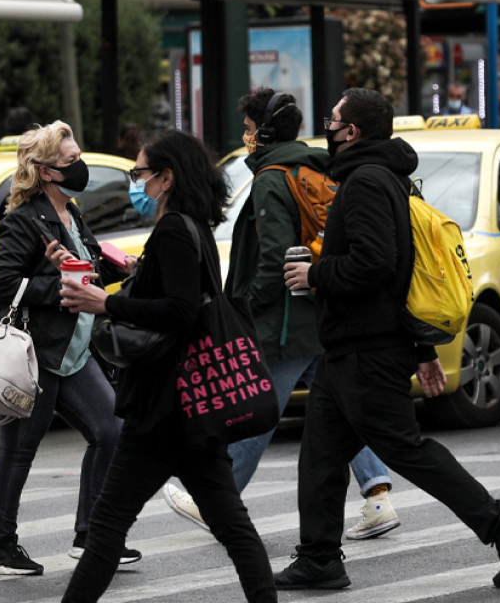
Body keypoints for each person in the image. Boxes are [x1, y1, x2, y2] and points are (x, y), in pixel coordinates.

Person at [276, 88, 500, 591]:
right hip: (352, 347)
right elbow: (405, 271)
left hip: (367, 348)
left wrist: (315, 274)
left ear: (351, 131)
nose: (327, 128)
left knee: (405, 448)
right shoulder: (385, 178)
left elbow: (376, 264)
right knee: (321, 456)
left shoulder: (366, 182)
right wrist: (421, 351)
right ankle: (319, 559)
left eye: (333, 120)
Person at [161, 88, 401, 541]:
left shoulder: (271, 178)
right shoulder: (316, 166)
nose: (246, 136)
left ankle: (216, 498)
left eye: (249, 129)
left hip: (287, 321)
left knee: (258, 409)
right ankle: (377, 495)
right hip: (320, 311)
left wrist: (247, 307)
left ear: (265, 132)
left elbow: (274, 257)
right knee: (344, 407)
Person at [59, 131, 276, 603]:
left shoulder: (175, 228)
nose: (137, 182)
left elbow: (180, 311)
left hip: (164, 408)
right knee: (231, 525)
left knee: (107, 526)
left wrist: (106, 303)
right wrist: (138, 274)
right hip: (192, 407)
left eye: (140, 173)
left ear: (167, 177)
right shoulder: (191, 225)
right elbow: (183, 295)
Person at [0, 120, 138, 576]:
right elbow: (5, 284)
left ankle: (91, 535)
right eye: (71, 161)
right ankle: (1, 547)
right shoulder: (21, 221)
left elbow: (85, 271)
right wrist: (59, 288)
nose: (79, 166)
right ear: (46, 171)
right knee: (19, 449)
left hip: (72, 351)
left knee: (111, 431)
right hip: (36, 353)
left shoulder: (71, 214)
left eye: (78, 157)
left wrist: (124, 270)